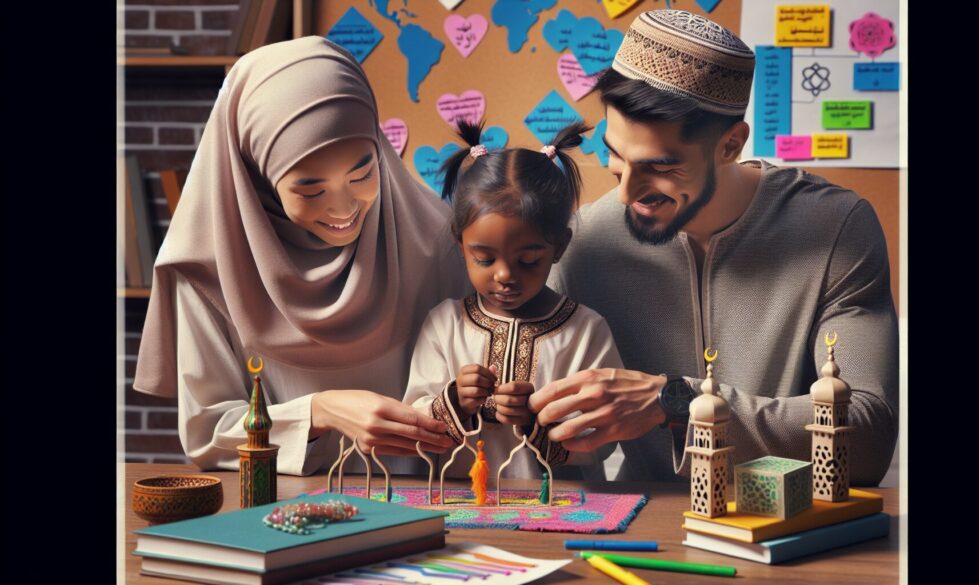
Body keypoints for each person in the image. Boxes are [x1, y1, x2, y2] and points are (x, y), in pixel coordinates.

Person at [529, 10, 898, 486]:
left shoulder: (836, 229)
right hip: (641, 530)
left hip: (794, 534)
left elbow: (867, 436)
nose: (625, 193)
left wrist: (677, 401)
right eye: (616, 154)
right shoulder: (583, 242)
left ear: (731, 145)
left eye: (660, 167)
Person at [132, 37, 471, 476]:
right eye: (310, 190)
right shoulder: (206, 272)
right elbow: (208, 434)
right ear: (258, 174)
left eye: (364, 172)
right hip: (283, 518)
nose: (344, 208)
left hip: (427, 511)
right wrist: (319, 412)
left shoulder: (438, 243)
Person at [403, 120, 623, 480]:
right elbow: (414, 426)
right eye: (485, 259)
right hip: (461, 509)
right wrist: (455, 400)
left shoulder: (586, 331)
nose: (504, 275)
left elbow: (601, 438)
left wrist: (534, 416)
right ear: (461, 246)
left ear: (559, 247)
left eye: (528, 261)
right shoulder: (444, 325)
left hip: (562, 514)